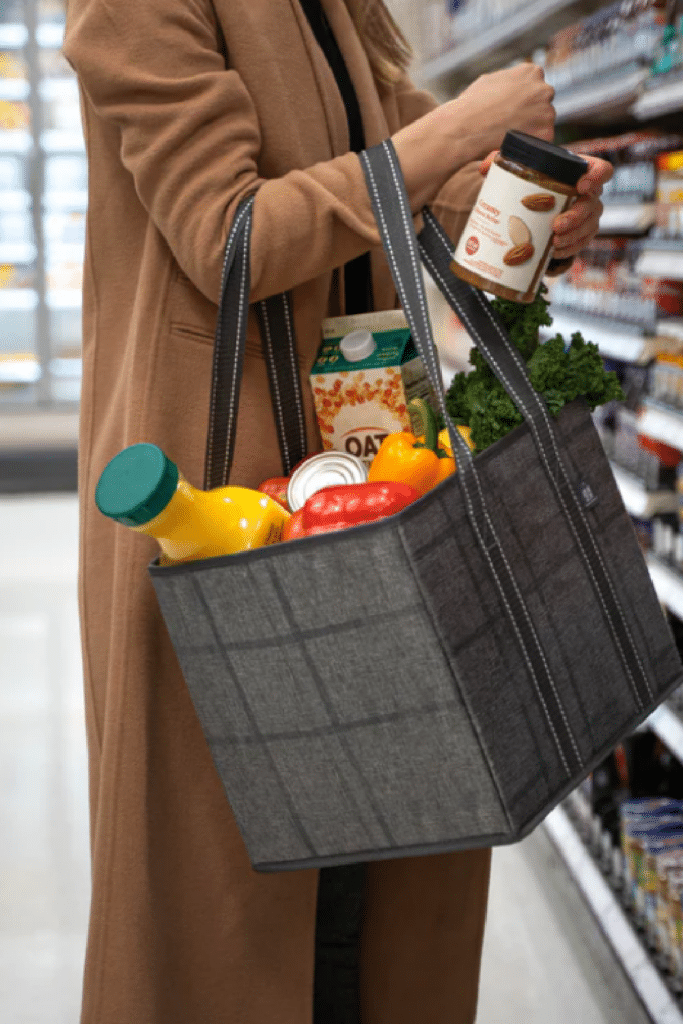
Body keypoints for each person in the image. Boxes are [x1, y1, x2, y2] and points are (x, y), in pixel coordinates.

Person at [60, 2, 612, 1022]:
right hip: (223, 497)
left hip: (368, 477)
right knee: (240, 904)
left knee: (381, 868)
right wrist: (453, 130)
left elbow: (405, 187)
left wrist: (524, 212)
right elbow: (228, 239)